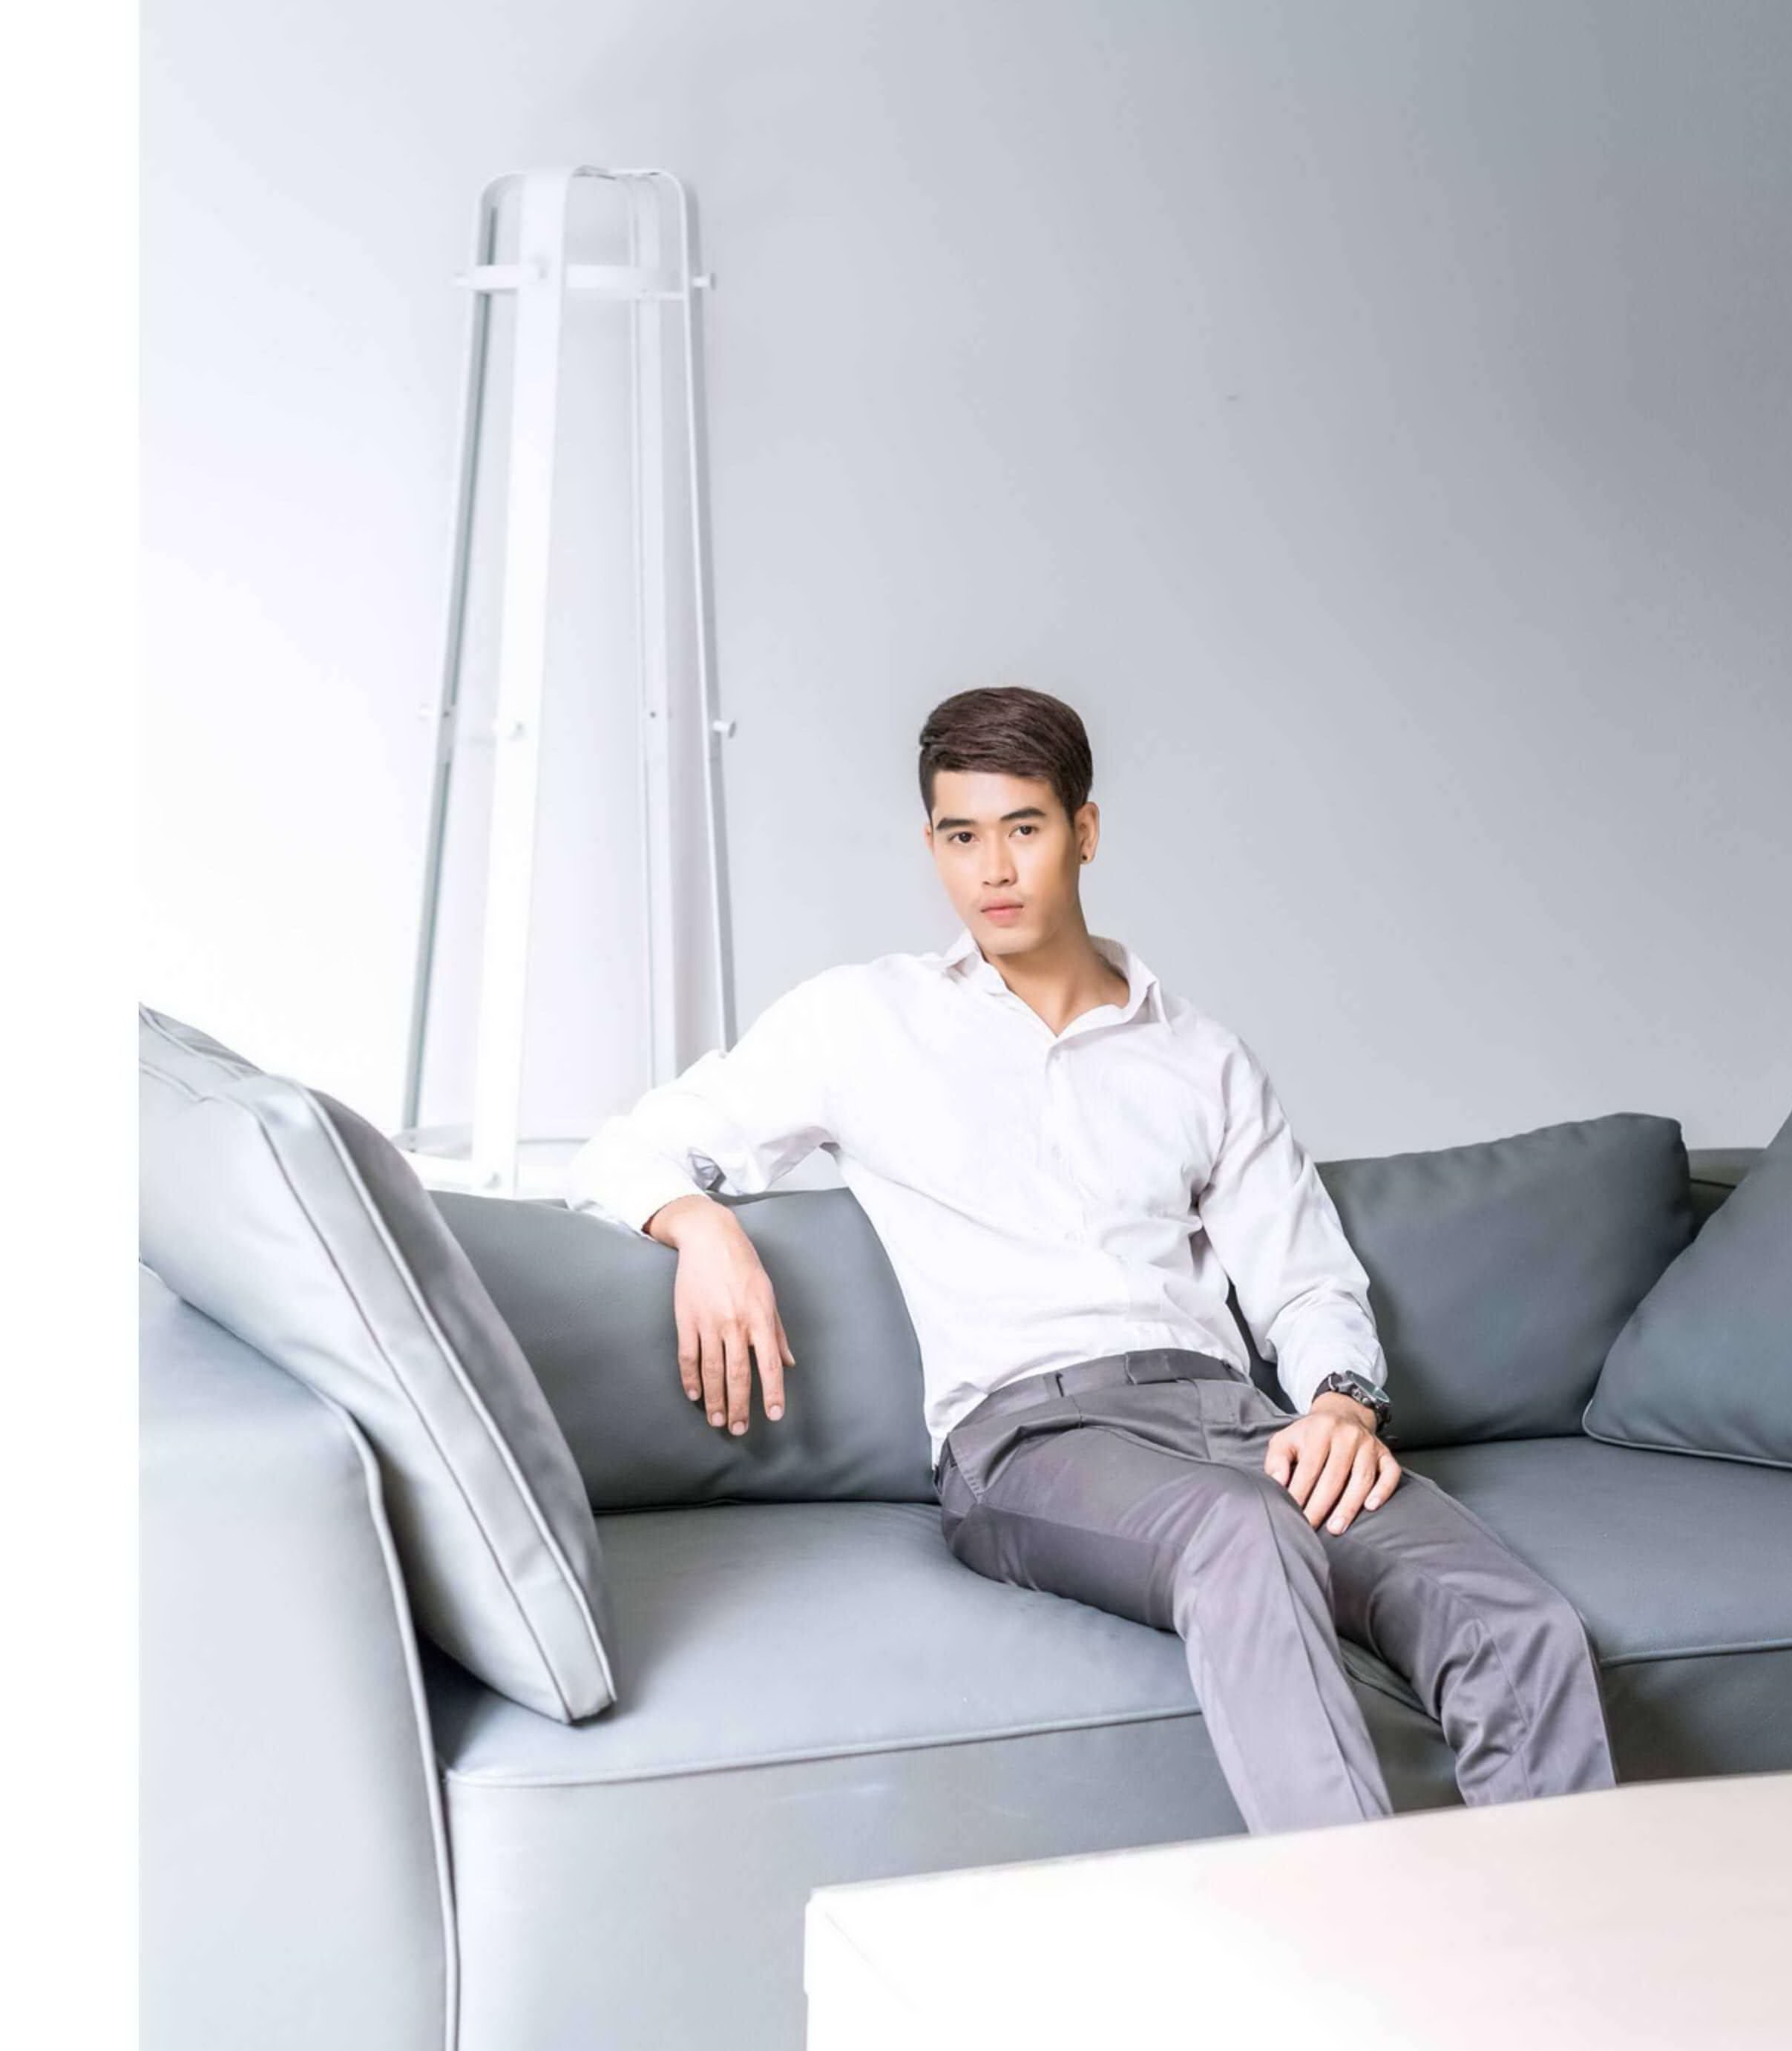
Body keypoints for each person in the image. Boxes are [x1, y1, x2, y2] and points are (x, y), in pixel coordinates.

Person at [565, 683, 1617, 1834]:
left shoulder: (1201, 1057)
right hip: (1030, 1439)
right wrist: (702, 1226)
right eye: (960, 837)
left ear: (1084, 831)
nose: (991, 870)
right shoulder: (862, 1021)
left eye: (1022, 828)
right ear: (931, 844)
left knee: (1511, 1623)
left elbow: (1308, 1280)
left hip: (1235, 1420)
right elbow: (625, 1148)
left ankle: (1553, 1936)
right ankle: (1354, 1925)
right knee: (1242, 1533)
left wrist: (1338, 1406)